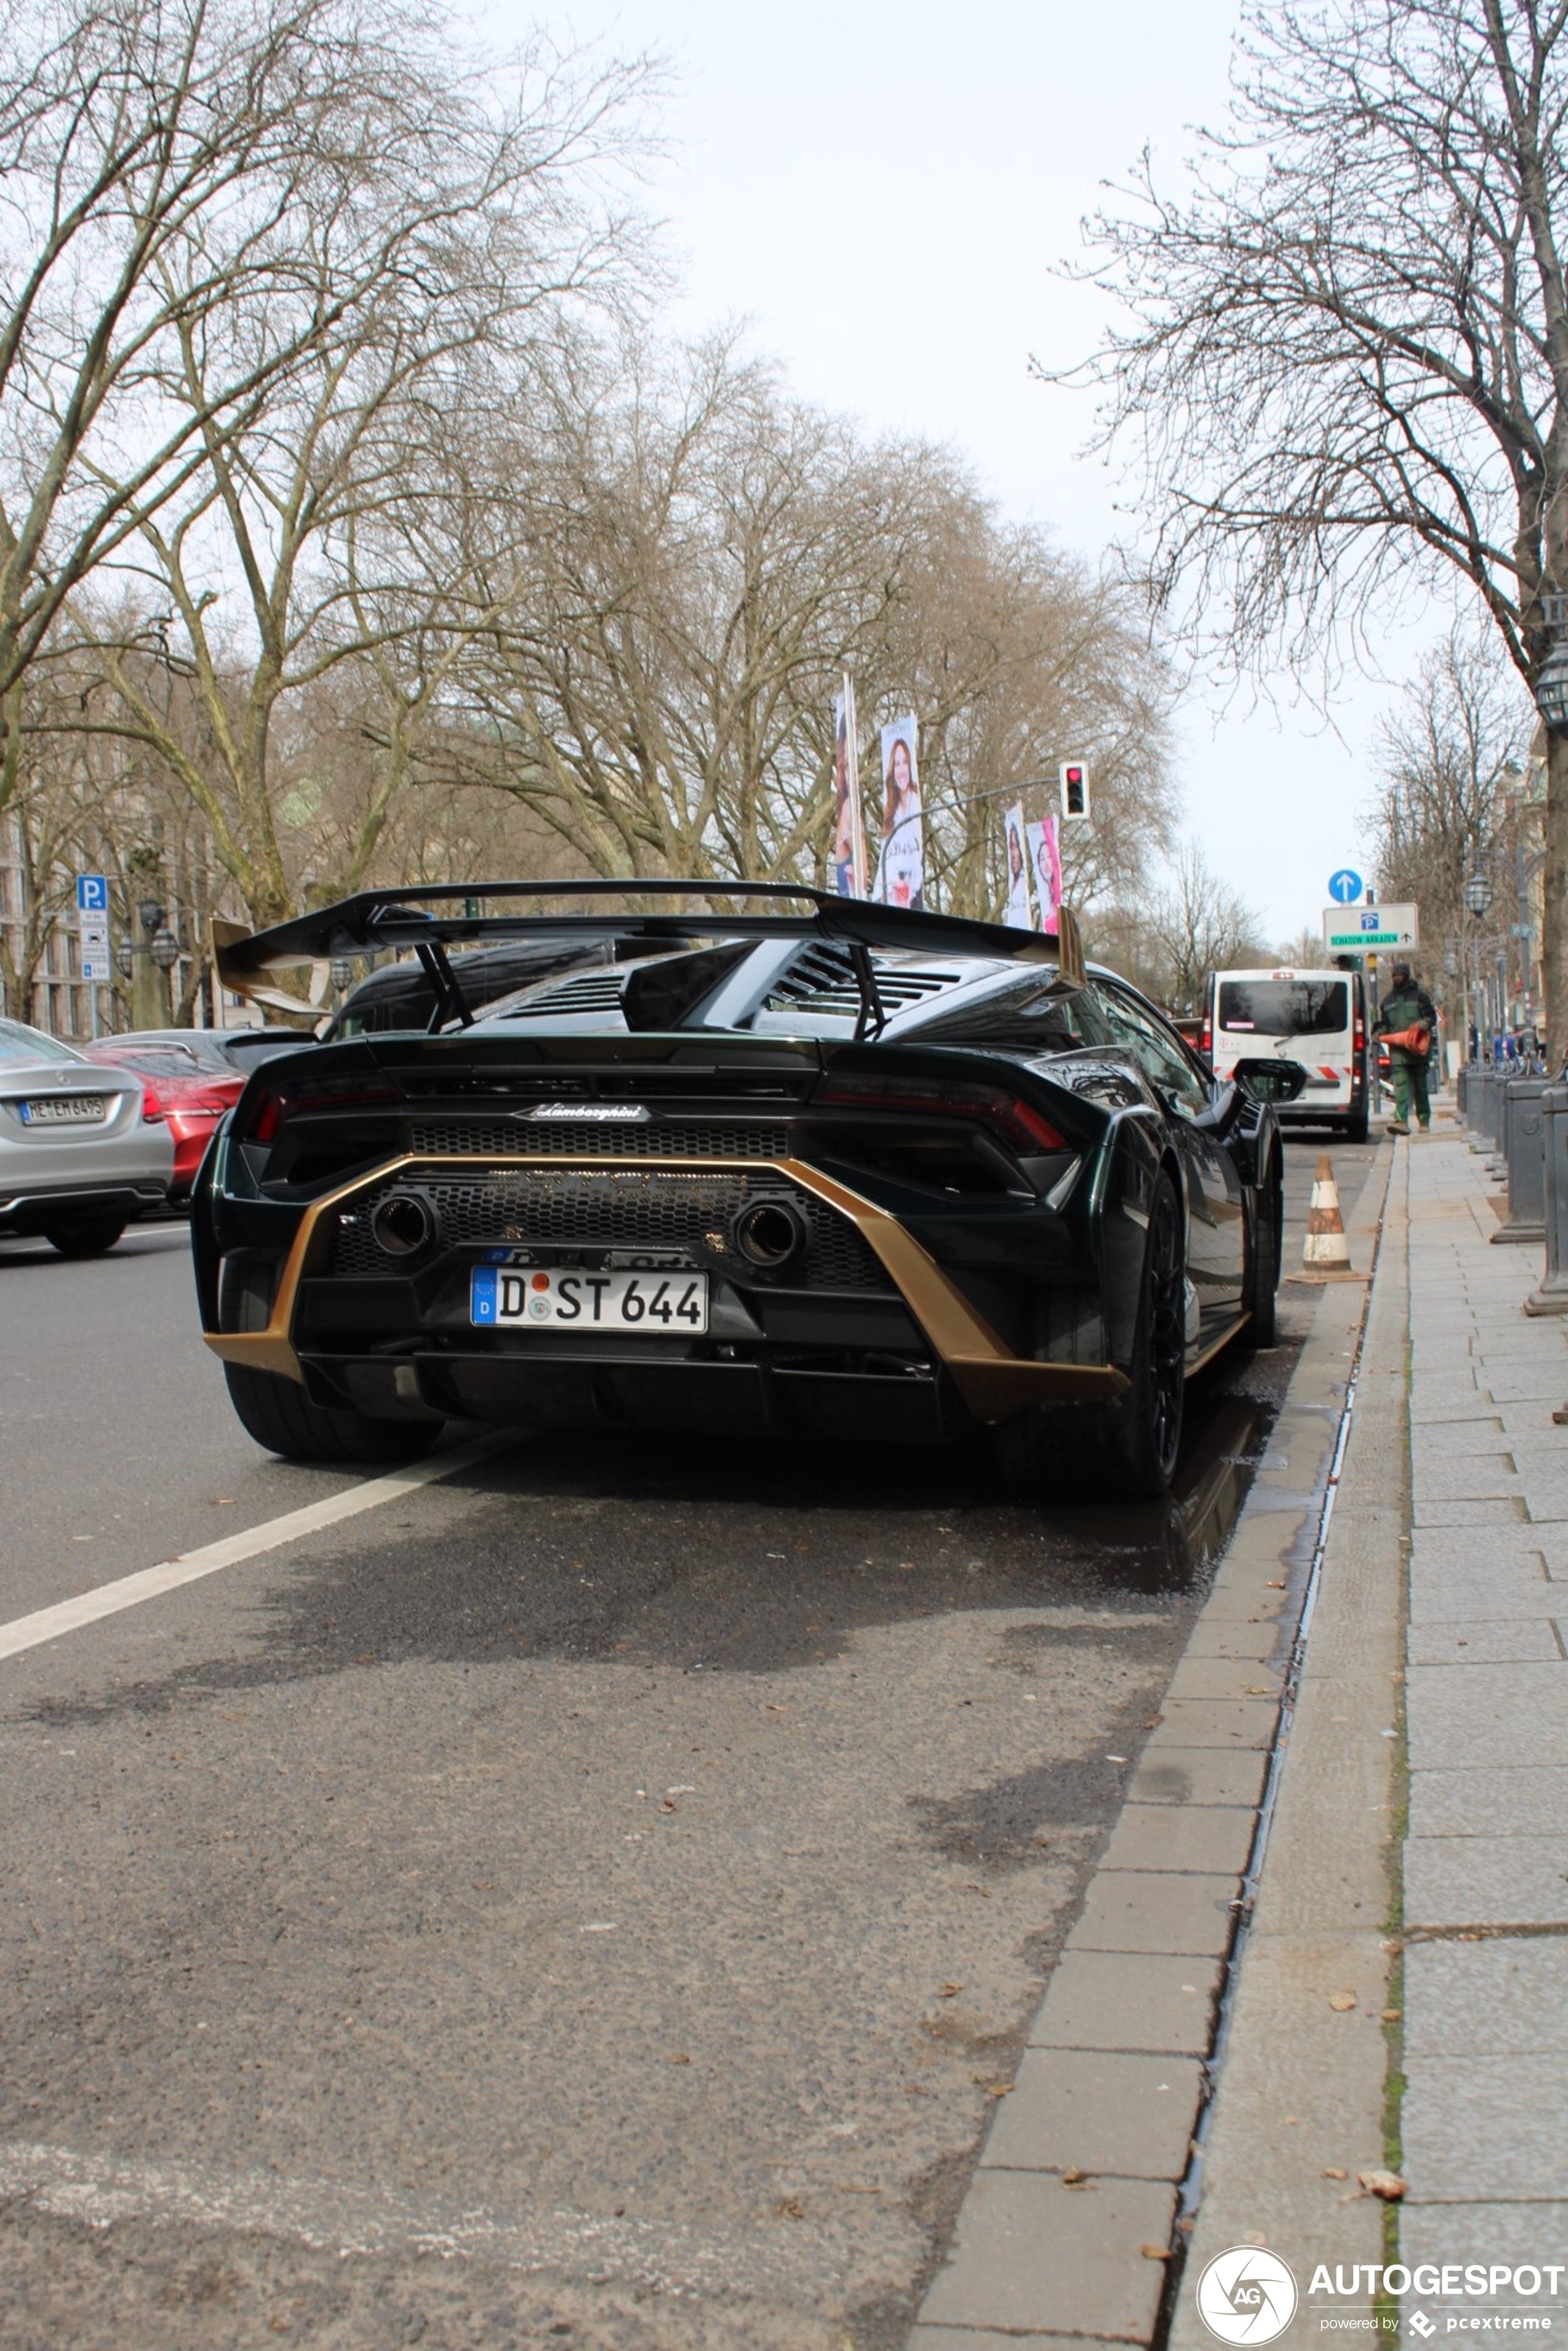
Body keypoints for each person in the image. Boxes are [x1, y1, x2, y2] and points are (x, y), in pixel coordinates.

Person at [1374, 959, 1438, 1135]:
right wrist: (1379, 1033)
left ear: (1407, 976)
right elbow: (1385, 1024)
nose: (1397, 978)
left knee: (1421, 1088)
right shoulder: (1387, 1001)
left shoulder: (1420, 996)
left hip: (1418, 1051)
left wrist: (1424, 1024)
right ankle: (1401, 1121)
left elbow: (1432, 1017)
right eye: (1395, 975)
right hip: (1398, 1053)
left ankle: (1424, 1120)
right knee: (1400, 1087)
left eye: (1400, 974)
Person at [874, 734, 924, 909]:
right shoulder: (889, 811)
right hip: (887, 902)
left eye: (905, 762)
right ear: (892, 771)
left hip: (910, 901)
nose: (902, 769)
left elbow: (917, 862)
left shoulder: (915, 805)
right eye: (897, 763)